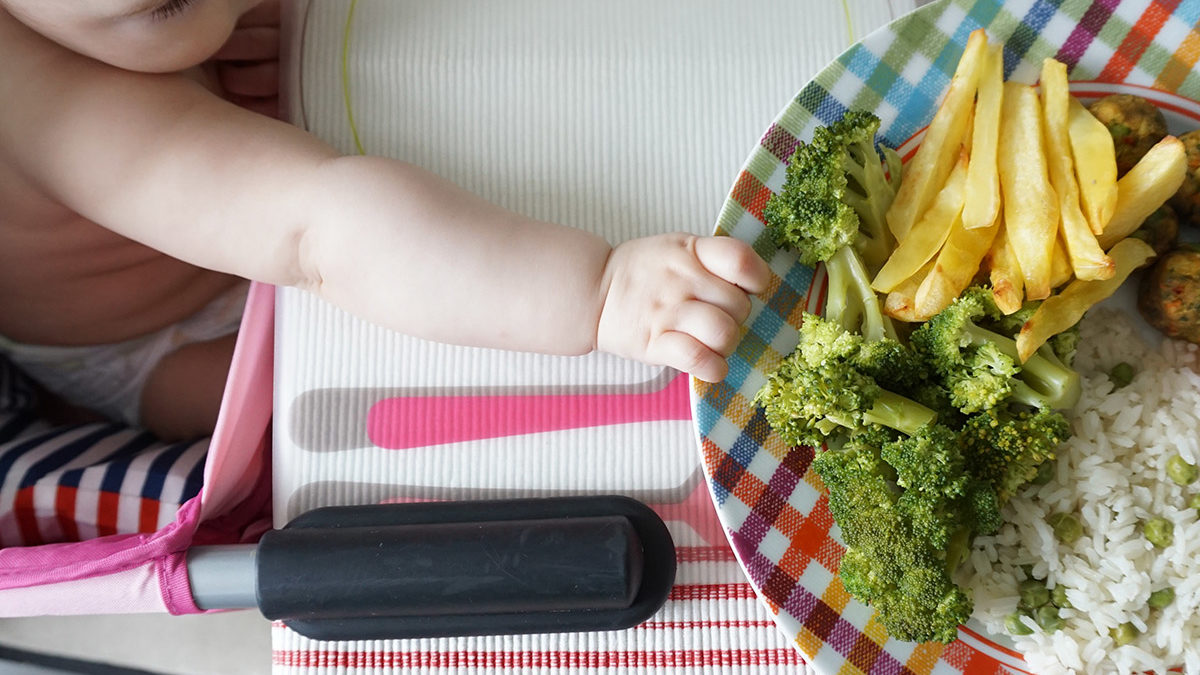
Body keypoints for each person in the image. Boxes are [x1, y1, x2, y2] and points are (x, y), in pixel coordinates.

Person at [0, 0, 771, 441]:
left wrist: (249, 23)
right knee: (375, 408)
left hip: (223, 173)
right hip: (169, 336)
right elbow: (319, 234)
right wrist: (600, 292)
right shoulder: (42, 99)